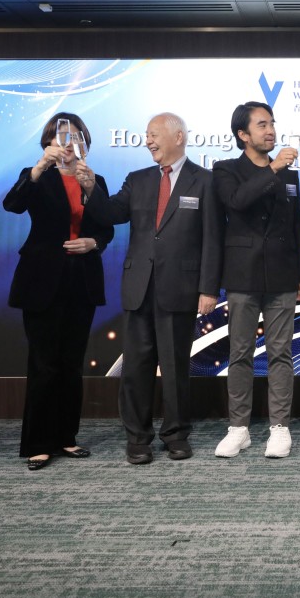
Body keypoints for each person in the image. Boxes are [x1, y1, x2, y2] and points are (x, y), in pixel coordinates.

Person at [78, 112, 223, 464]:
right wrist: (91, 187)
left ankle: (176, 435)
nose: (148, 141)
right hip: (139, 287)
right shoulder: (138, 179)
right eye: (146, 135)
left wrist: (208, 289)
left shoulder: (205, 181)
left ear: (178, 137)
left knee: (175, 369)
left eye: (154, 134)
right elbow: (110, 213)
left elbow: (213, 239)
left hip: (181, 288)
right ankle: (137, 438)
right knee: (136, 368)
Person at [4, 113, 114, 471]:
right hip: (41, 280)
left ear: (85, 143)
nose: (69, 143)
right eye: (61, 137)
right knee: (44, 364)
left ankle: (66, 436)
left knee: (71, 364)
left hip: (81, 281)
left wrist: (94, 242)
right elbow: (12, 205)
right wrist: (38, 168)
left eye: (76, 137)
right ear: (48, 143)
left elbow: (106, 227)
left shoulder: (95, 180)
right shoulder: (36, 175)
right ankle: (38, 443)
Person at [213, 101, 300, 459]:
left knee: (281, 352)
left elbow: (296, 226)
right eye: (262, 125)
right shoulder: (225, 169)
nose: (271, 131)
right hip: (243, 274)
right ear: (243, 134)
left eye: (272, 124)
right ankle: (238, 428)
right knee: (240, 353)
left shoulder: (290, 176)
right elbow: (237, 201)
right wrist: (274, 169)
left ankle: (280, 428)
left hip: (283, 274)